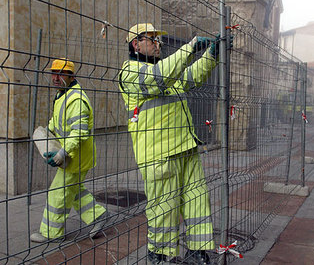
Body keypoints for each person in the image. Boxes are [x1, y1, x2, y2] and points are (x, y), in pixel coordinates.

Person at [119, 23, 222, 264]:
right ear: (136, 44)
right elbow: (158, 79)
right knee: (164, 209)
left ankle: (198, 252)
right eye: (152, 39)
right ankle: (160, 255)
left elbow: (192, 76)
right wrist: (189, 48)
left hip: (185, 147)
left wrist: (212, 54)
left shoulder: (167, 71)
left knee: (198, 201)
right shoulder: (131, 71)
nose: (158, 44)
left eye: (158, 40)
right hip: (159, 155)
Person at [30, 58, 107, 243]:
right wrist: (47, 135)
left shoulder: (76, 99)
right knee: (73, 191)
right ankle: (98, 216)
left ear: (71, 76)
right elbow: (57, 122)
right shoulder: (62, 95)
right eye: (53, 73)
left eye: (61, 74)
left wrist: (62, 154)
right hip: (74, 156)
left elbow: (79, 132)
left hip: (75, 157)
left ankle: (52, 234)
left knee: (58, 193)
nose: (56, 78)